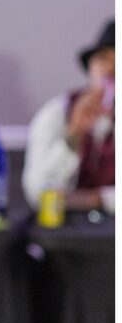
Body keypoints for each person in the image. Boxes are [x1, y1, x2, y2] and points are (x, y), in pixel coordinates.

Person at [23, 20, 114, 210]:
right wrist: (74, 134)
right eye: (104, 59)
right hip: (66, 234)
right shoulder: (57, 113)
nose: (110, 70)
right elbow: (36, 192)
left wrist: (99, 199)